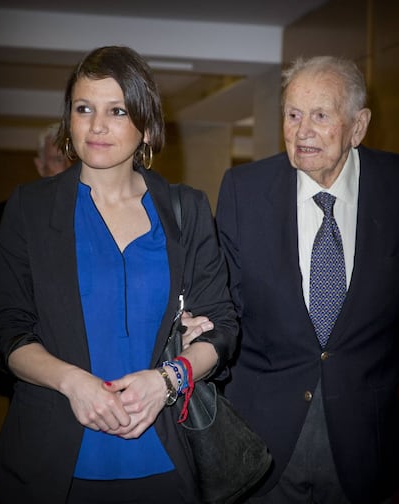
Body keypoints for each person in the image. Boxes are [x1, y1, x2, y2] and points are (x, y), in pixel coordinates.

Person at [0, 45, 238, 504]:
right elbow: (5, 331)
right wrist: (72, 382)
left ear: (146, 126)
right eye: (84, 109)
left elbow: (222, 329)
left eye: (117, 111)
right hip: (55, 463)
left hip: (169, 459)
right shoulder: (28, 210)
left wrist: (167, 379)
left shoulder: (187, 209)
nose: (96, 126)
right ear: (69, 120)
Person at [186, 56, 399, 504]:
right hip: (263, 441)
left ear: (358, 126)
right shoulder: (243, 189)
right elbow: (227, 305)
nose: (302, 132)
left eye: (320, 116)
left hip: (370, 442)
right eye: (292, 114)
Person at [0, 122, 72, 401]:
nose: (67, 166)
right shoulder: (15, 213)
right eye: (58, 159)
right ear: (40, 166)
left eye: (72, 158)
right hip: (30, 357)